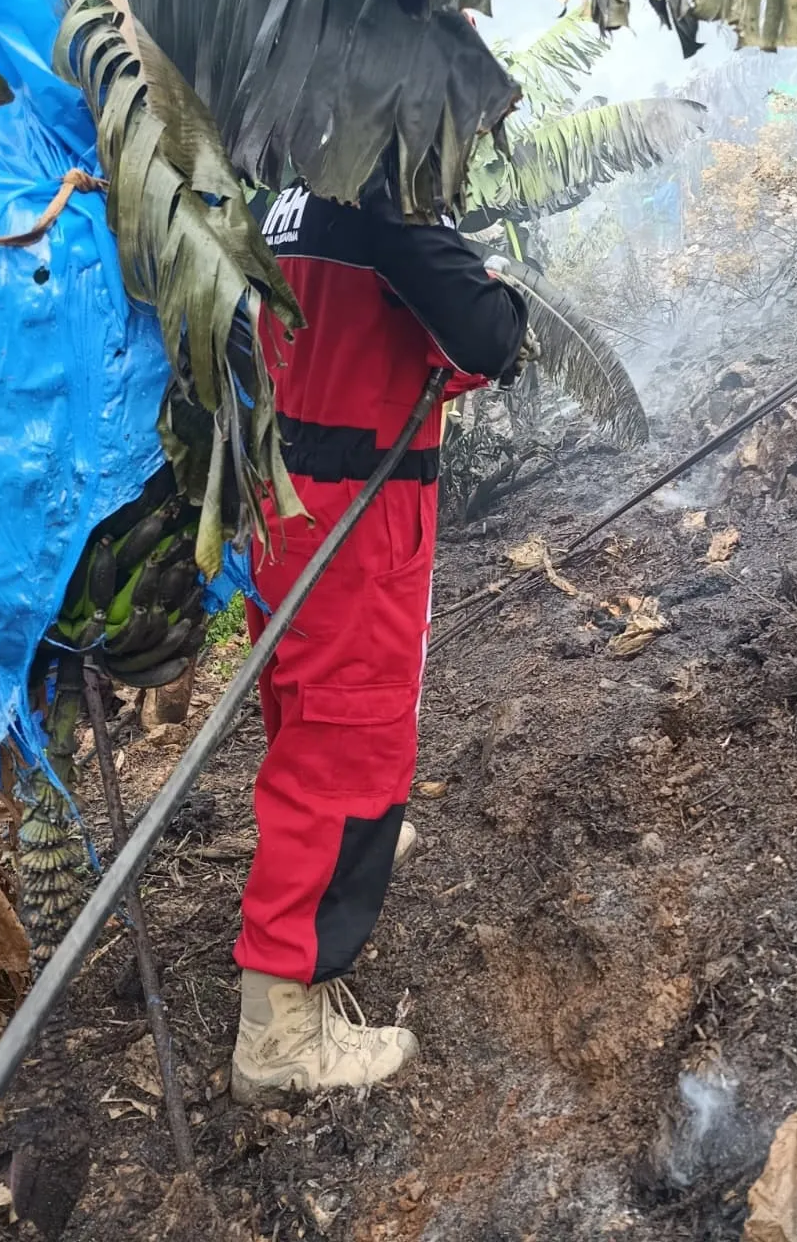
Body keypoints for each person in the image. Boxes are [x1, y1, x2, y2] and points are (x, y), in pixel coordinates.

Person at [230, 171, 531, 1104]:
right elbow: (485, 334)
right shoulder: (384, 201)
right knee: (347, 748)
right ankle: (278, 1032)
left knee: (303, 711)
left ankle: (337, 860)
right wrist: (496, 287)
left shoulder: (280, 196)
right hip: (357, 520)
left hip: (278, 501)